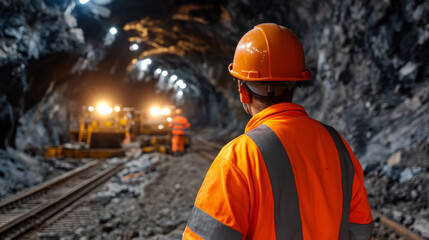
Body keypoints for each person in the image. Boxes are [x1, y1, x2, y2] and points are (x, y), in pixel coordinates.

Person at [183, 23, 373, 239]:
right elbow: (361, 230)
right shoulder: (338, 145)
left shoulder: (239, 157)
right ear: (295, 83)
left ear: (243, 92)